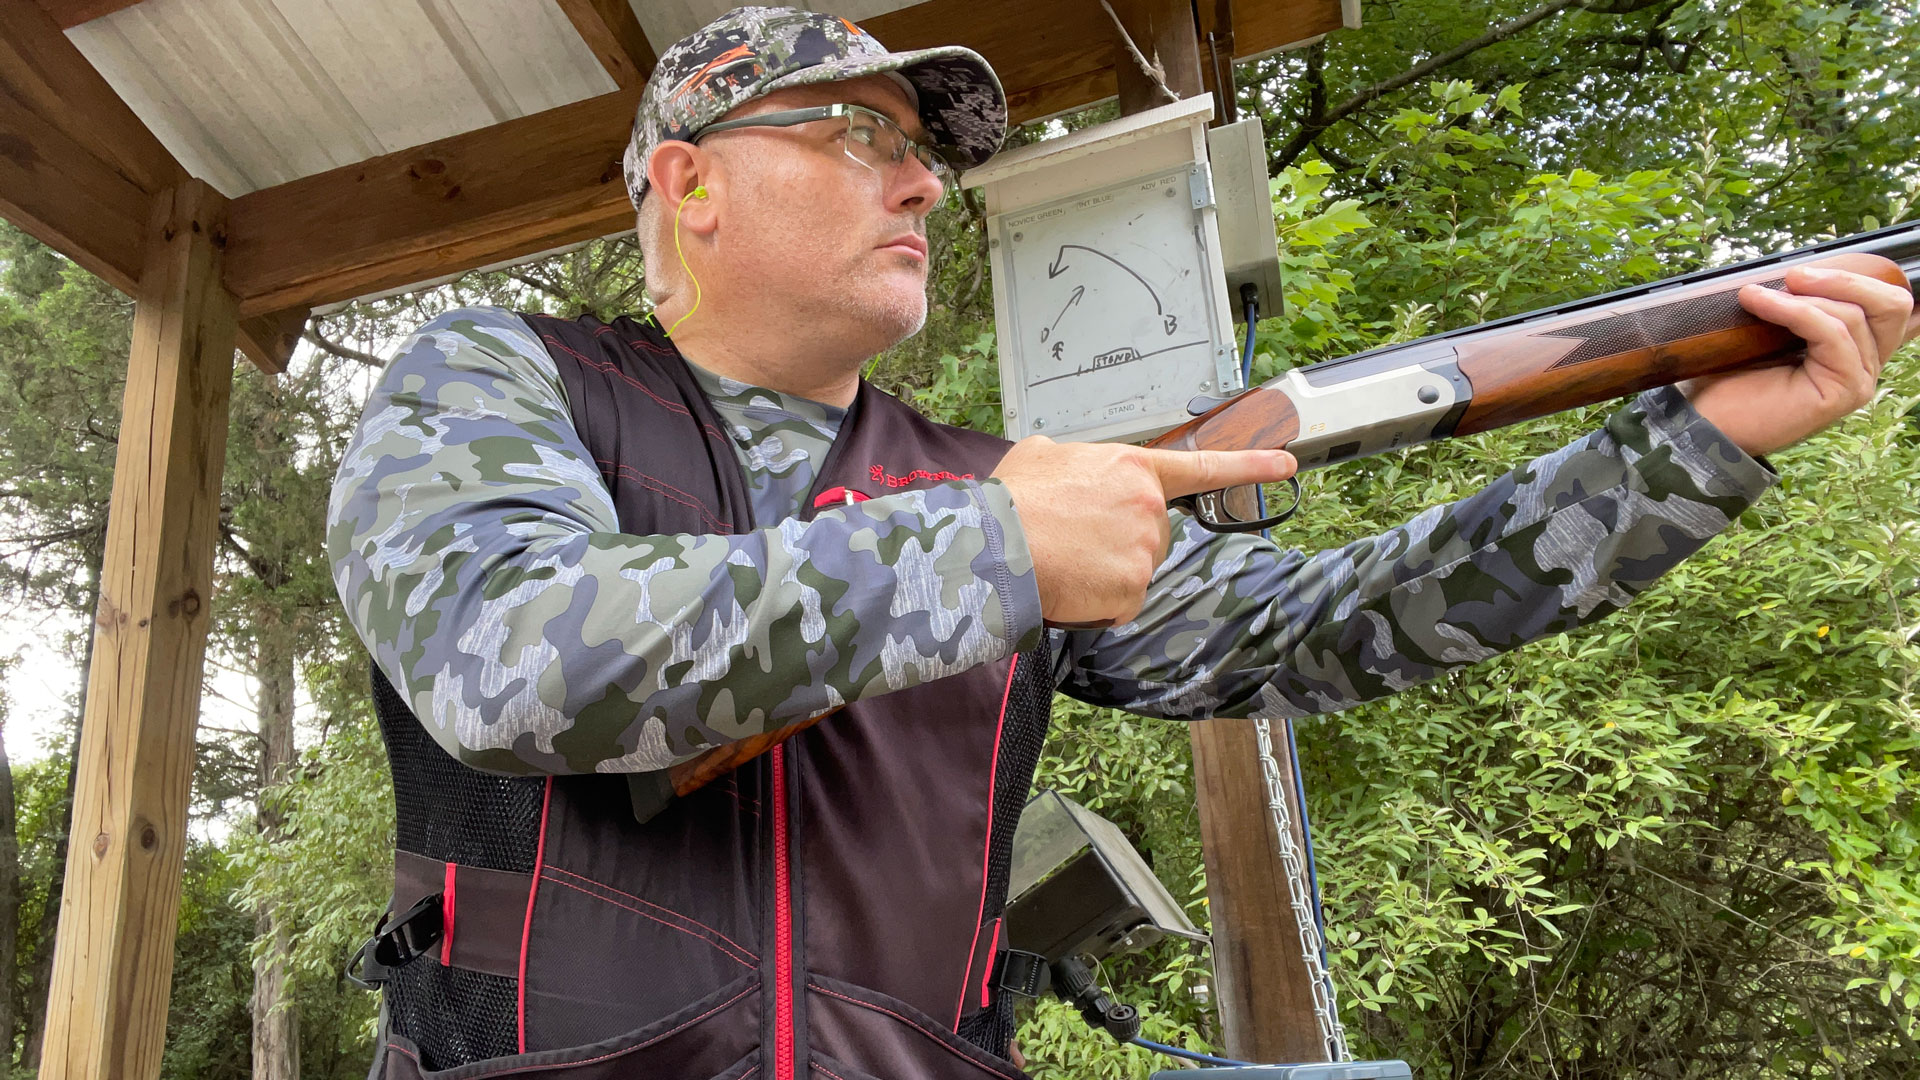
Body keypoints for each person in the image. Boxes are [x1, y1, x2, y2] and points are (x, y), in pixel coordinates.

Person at [326, 6, 1917, 1079]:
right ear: (690, 183)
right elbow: (513, 655)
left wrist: (1692, 444)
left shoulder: (1008, 479)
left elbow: (1338, 623)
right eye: (857, 135)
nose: (922, 185)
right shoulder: (503, 373)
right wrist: (995, 548)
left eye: (927, 156)